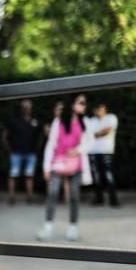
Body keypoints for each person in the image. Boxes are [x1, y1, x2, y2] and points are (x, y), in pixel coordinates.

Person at [38, 95, 93, 242]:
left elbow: (90, 142)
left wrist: (78, 150)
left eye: (84, 103)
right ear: (72, 104)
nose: (83, 105)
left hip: (76, 165)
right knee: (53, 194)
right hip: (58, 164)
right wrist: (46, 168)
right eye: (80, 102)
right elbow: (51, 144)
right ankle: (47, 228)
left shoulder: (85, 122)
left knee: (75, 196)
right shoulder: (58, 121)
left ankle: (73, 228)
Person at [4, 99, 41, 204]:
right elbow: (5, 135)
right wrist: (9, 149)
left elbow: (40, 136)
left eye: (29, 107)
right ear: (21, 108)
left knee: (29, 175)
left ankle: (29, 197)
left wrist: (37, 148)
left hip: (31, 153)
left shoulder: (35, 121)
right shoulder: (15, 121)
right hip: (16, 152)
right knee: (13, 175)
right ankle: (11, 197)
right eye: (25, 107)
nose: (27, 109)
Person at [88, 102, 120, 207]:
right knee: (96, 176)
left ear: (105, 109)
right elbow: (88, 135)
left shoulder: (111, 118)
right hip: (93, 152)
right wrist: (97, 134)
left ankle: (113, 200)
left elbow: (107, 131)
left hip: (107, 151)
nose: (100, 111)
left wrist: (95, 134)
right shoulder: (90, 121)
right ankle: (99, 199)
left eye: (102, 109)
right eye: (97, 109)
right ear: (94, 110)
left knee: (109, 176)